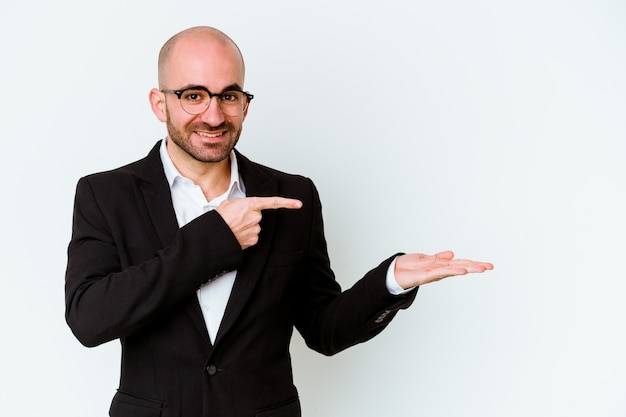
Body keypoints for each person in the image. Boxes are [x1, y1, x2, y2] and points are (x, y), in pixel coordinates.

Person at [65, 26, 493, 417]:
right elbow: (89, 318)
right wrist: (215, 238)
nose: (214, 116)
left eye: (229, 96)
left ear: (245, 104)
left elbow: (324, 329)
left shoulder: (293, 196)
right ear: (161, 103)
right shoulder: (105, 195)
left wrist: (389, 282)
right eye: (194, 95)